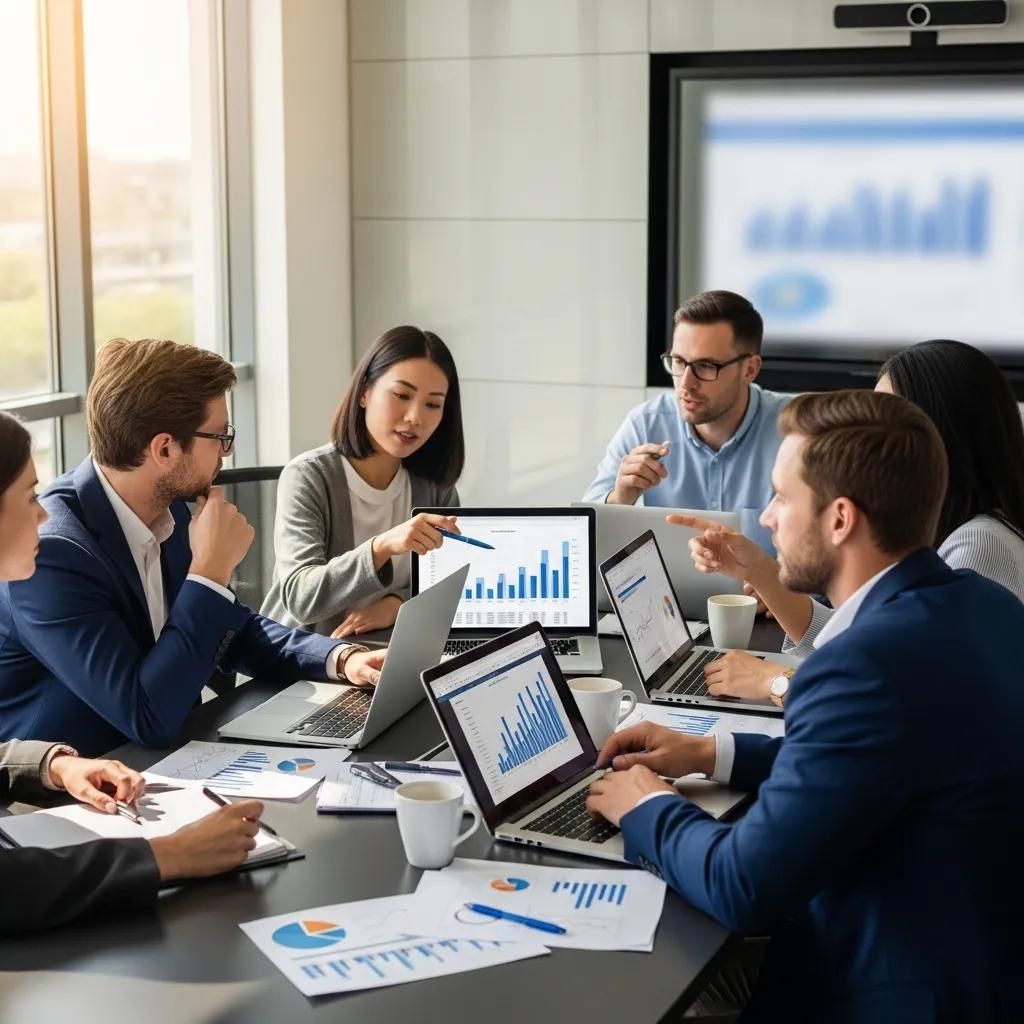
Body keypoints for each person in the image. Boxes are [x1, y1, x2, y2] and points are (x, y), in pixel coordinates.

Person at [587, 390, 1024, 1021]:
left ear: (840, 518)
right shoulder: (983, 605)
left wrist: (645, 805)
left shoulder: (863, 665)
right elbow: (876, 753)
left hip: (890, 986)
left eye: (782, 498)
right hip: (983, 960)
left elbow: (743, 887)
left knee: (647, 967)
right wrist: (713, 752)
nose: (766, 518)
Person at [0, 339, 385, 756]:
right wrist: (210, 571)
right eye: (220, 436)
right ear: (164, 449)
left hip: (165, 755)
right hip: (69, 786)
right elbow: (146, 716)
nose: (227, 451)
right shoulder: (53, 553)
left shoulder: (170, 506)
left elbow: (231, 628)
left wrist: (341, 659)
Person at [0, 411, 268, 935]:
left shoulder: (169, 519)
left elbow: (236, 629)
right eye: (29, 496)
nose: (42, 516)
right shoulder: (63, 549)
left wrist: (50, 765)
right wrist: (166, 857)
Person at [683, 339, 1024, 703]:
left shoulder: (979, 544)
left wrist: (779, 682)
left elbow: (917, 695)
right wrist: (761, 573)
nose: (866, 438)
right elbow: (861, 641)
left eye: (886, 419)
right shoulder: (954, 532)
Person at [260, 326, 464, 638]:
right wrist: (382, 546)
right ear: (365, 392)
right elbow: (301, 599)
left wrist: (398, 603)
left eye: (433, 404)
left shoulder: (434, 485)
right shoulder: (309, 476)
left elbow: (449, 582)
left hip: (387, 650)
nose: (415, 417)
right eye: (402, 395)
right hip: (306, 659)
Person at [582, 290, 790, 552]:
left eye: (706, 366)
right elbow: (582, 538)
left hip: (762, 594)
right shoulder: (645, 424)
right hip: (666, 594)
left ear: (749, 369)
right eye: (679, 362)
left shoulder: (795, 432)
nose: (686, 384)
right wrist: (620, 496)